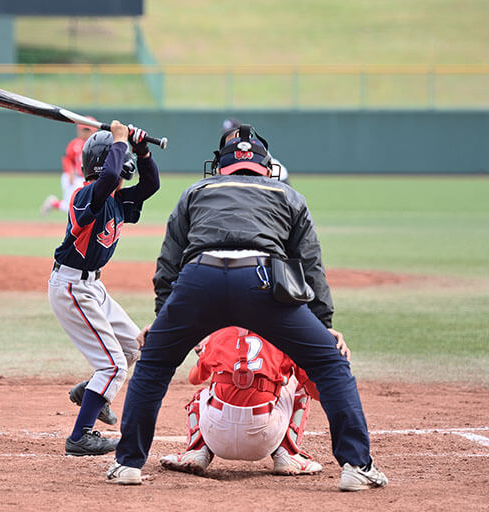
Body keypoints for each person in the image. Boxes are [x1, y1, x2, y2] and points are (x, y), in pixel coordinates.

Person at [106, 124, 388, 492]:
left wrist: (163, 321)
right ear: (265, 166)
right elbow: (309, 263)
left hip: (199, 279)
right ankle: (357, 466)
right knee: (328, 363)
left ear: (219, 166)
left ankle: (127, 464)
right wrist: (324, 324)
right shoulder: (287, 195)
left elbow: (168, 265)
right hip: (261, 282)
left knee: (154, 364)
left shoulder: (196, 191)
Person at [48, 120, 159, 457]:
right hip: (71, 286)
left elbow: (151, 185)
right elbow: (109, 176)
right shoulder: (86, 195)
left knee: (131, 348)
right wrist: (121, 140)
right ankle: (80, 437)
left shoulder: (118, 200)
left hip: (93, 287)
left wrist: (141, 149)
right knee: (112, 366)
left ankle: (91, 394)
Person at [159, 325, 344, 476]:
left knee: (202, 394)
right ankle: (288, 454)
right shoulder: (285, 335)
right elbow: (318, 393)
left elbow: (194, 378)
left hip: (215, 435)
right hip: (264, 437)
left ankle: (196, 451)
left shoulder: (219, 332)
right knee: (298, 385)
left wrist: (206, 355)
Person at [40, 121, 96, 215]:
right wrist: (70, 173)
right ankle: (53, 203)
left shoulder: (96, 145)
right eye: (84, 130)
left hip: (86, 179)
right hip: (74, 178)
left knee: (82, 206)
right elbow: (67, 159)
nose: (86, 133)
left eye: (88, 130)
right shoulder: (75, 144)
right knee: (72, 207)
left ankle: (53, 203)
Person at [221, 118, 290, 185]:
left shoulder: (252, 146)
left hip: (278, 179)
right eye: (227, 134)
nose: (229, 137)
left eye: (232, 134)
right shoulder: (230, 147)